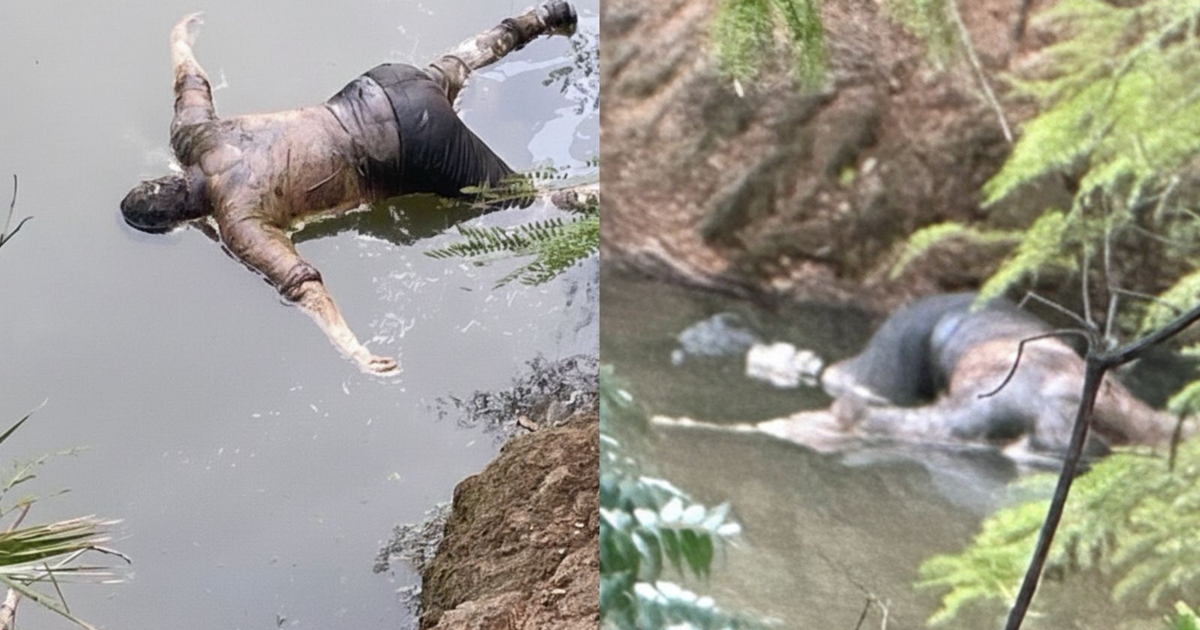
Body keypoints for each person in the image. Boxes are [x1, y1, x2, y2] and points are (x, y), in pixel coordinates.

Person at [120, 3, 578, 374]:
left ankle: (608, 196)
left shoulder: (237, 221)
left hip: (408, 149)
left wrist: (353, 350)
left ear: (178, 224)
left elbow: (303, 286)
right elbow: (190, 83)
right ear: (164, 177)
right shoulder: (192, 136)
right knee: (454, 66)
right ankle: (541, 18)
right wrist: (179, 39)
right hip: (379, 86)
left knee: (526, 202)